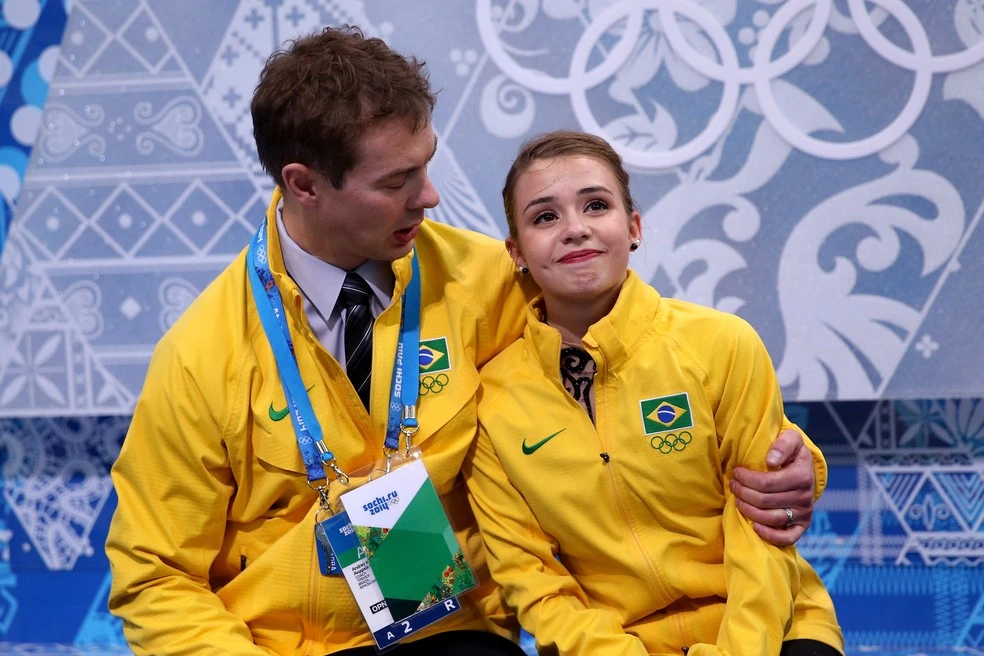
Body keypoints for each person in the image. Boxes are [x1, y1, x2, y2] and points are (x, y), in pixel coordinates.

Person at [105, 27, 827, 655]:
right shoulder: (202, 355)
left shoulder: (487, 277)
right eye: (398, 180)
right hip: (283, 643)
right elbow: (153, 577)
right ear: (305, 185)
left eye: (426, 163)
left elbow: (641, 370)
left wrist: (796, 467)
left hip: (446, 627)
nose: (431, 195)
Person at [463, 131, 844, 656]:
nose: (575, 229)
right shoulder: (491, 399)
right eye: (544, 217)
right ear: (516, 253)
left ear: (634, 226)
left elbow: (762, 538)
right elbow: (534, 578)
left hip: (771, 632)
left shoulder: (722, 344)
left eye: (596, 205)